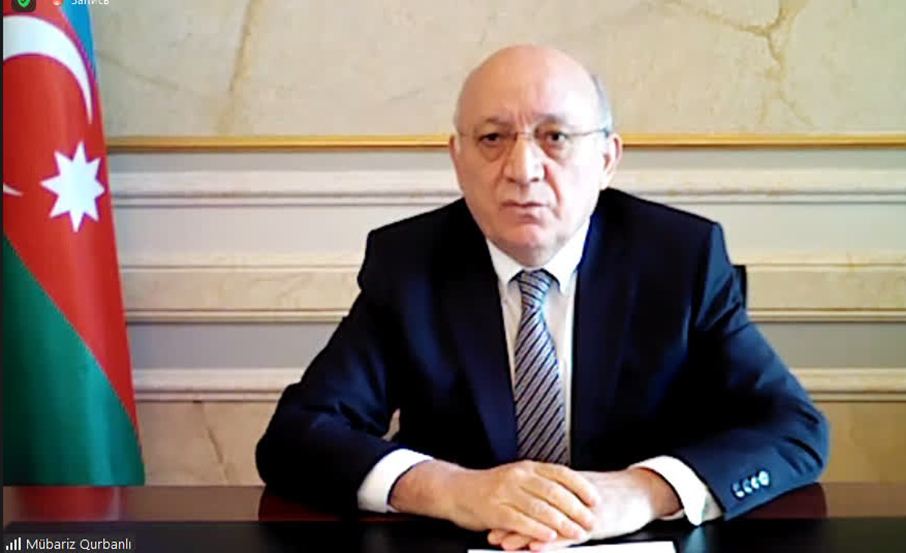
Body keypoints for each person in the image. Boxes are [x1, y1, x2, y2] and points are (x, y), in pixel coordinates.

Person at [256, 44, 829, 551]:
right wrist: (454, 490)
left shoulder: (682, 258)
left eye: (555, 138)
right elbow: (297, 436)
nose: (523, 169)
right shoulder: (409, 263)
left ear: (606, 159)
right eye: (492, 138)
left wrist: (642, 492)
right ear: (458, 159)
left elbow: (792, 428)